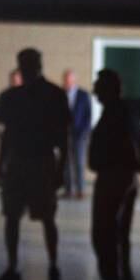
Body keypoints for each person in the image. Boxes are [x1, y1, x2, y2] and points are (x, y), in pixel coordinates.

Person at [0, 49, 69, 280]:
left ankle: (18, 268)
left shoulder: (12, 97)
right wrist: (60, 169)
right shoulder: (54, 95)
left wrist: (1, 166)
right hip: (37, 161)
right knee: (39, 218)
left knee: (20, 217)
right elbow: (62, 138)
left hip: (27, 161)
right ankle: (50, 267)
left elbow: (8, 135)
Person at [85, 69, 140, 280]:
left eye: (99, 87)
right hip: (125, 177)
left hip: (114, 178)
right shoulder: (126, 111)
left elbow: (131, 143)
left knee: (105, 231)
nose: (94, 91)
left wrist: (126, 162)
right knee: (120, 233)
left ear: (110, 89)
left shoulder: (116, 113)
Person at [62, 69, 92, 199]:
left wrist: (84, 132)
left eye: (69, 80)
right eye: (65, 80)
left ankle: (80, 190)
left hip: (79, 135)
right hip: (64, 134)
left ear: (74, 80)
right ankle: (68, 190)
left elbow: (88, 115)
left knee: (79, 162)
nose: (67, 82)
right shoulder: (60, 94)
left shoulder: (83, 95)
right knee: (66, 163)